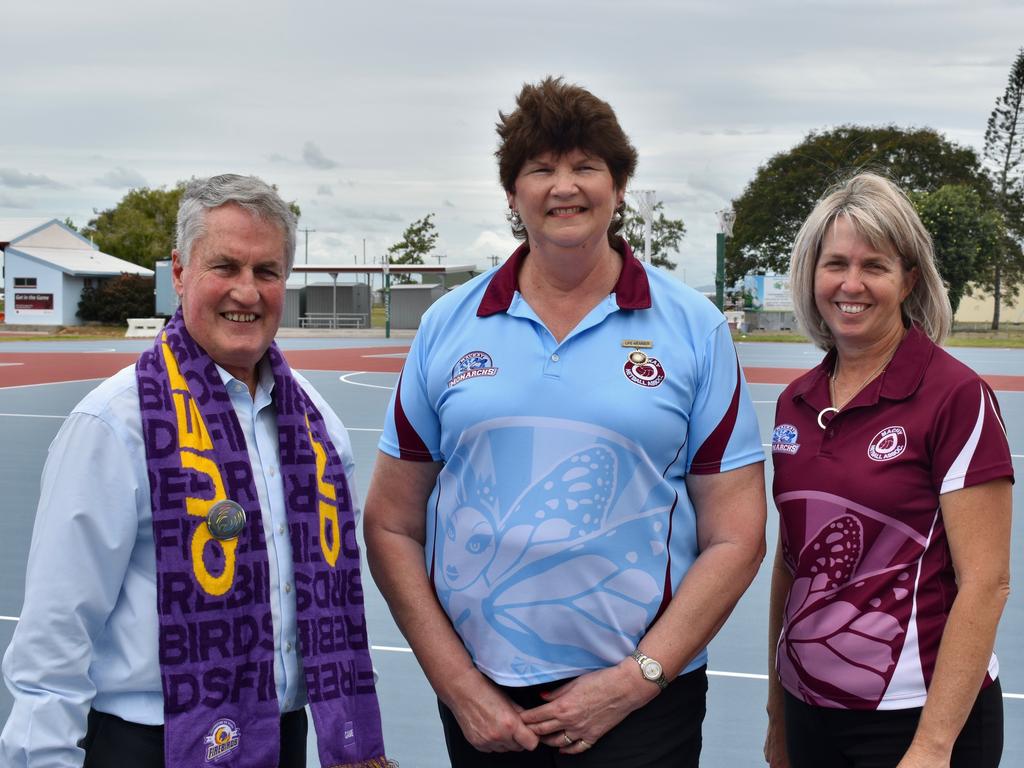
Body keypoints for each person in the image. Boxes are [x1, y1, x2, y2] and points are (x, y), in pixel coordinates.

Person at [364, 76, 767, 767]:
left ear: (618, 184)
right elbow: (391, 523)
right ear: (512, 192)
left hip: (643, 701)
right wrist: (459, 686)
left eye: (585, 166)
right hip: (486, 704)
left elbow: (737, 534)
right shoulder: (448, 326)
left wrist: (636, 680)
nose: (564, 187)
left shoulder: (692, 328)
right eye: (541, 168)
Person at [0, 174, 390, 768]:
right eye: (225, 266)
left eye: (266, 272)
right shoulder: (116, 424)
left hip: (281, 740)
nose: (247, 292)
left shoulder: (317, 426)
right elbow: (55, 638)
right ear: (180, 273)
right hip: (150, 745)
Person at [764, 173, 1013, 768]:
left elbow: (987, 582)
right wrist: (778, 713)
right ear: (812, 275)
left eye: (874, 265)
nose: (851, 284)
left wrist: (931, 747)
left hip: (918, 719)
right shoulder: (795, 401)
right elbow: (792, 561)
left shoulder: (956, 396)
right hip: (809, 712)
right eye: (835, 264)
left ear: (908, 280)